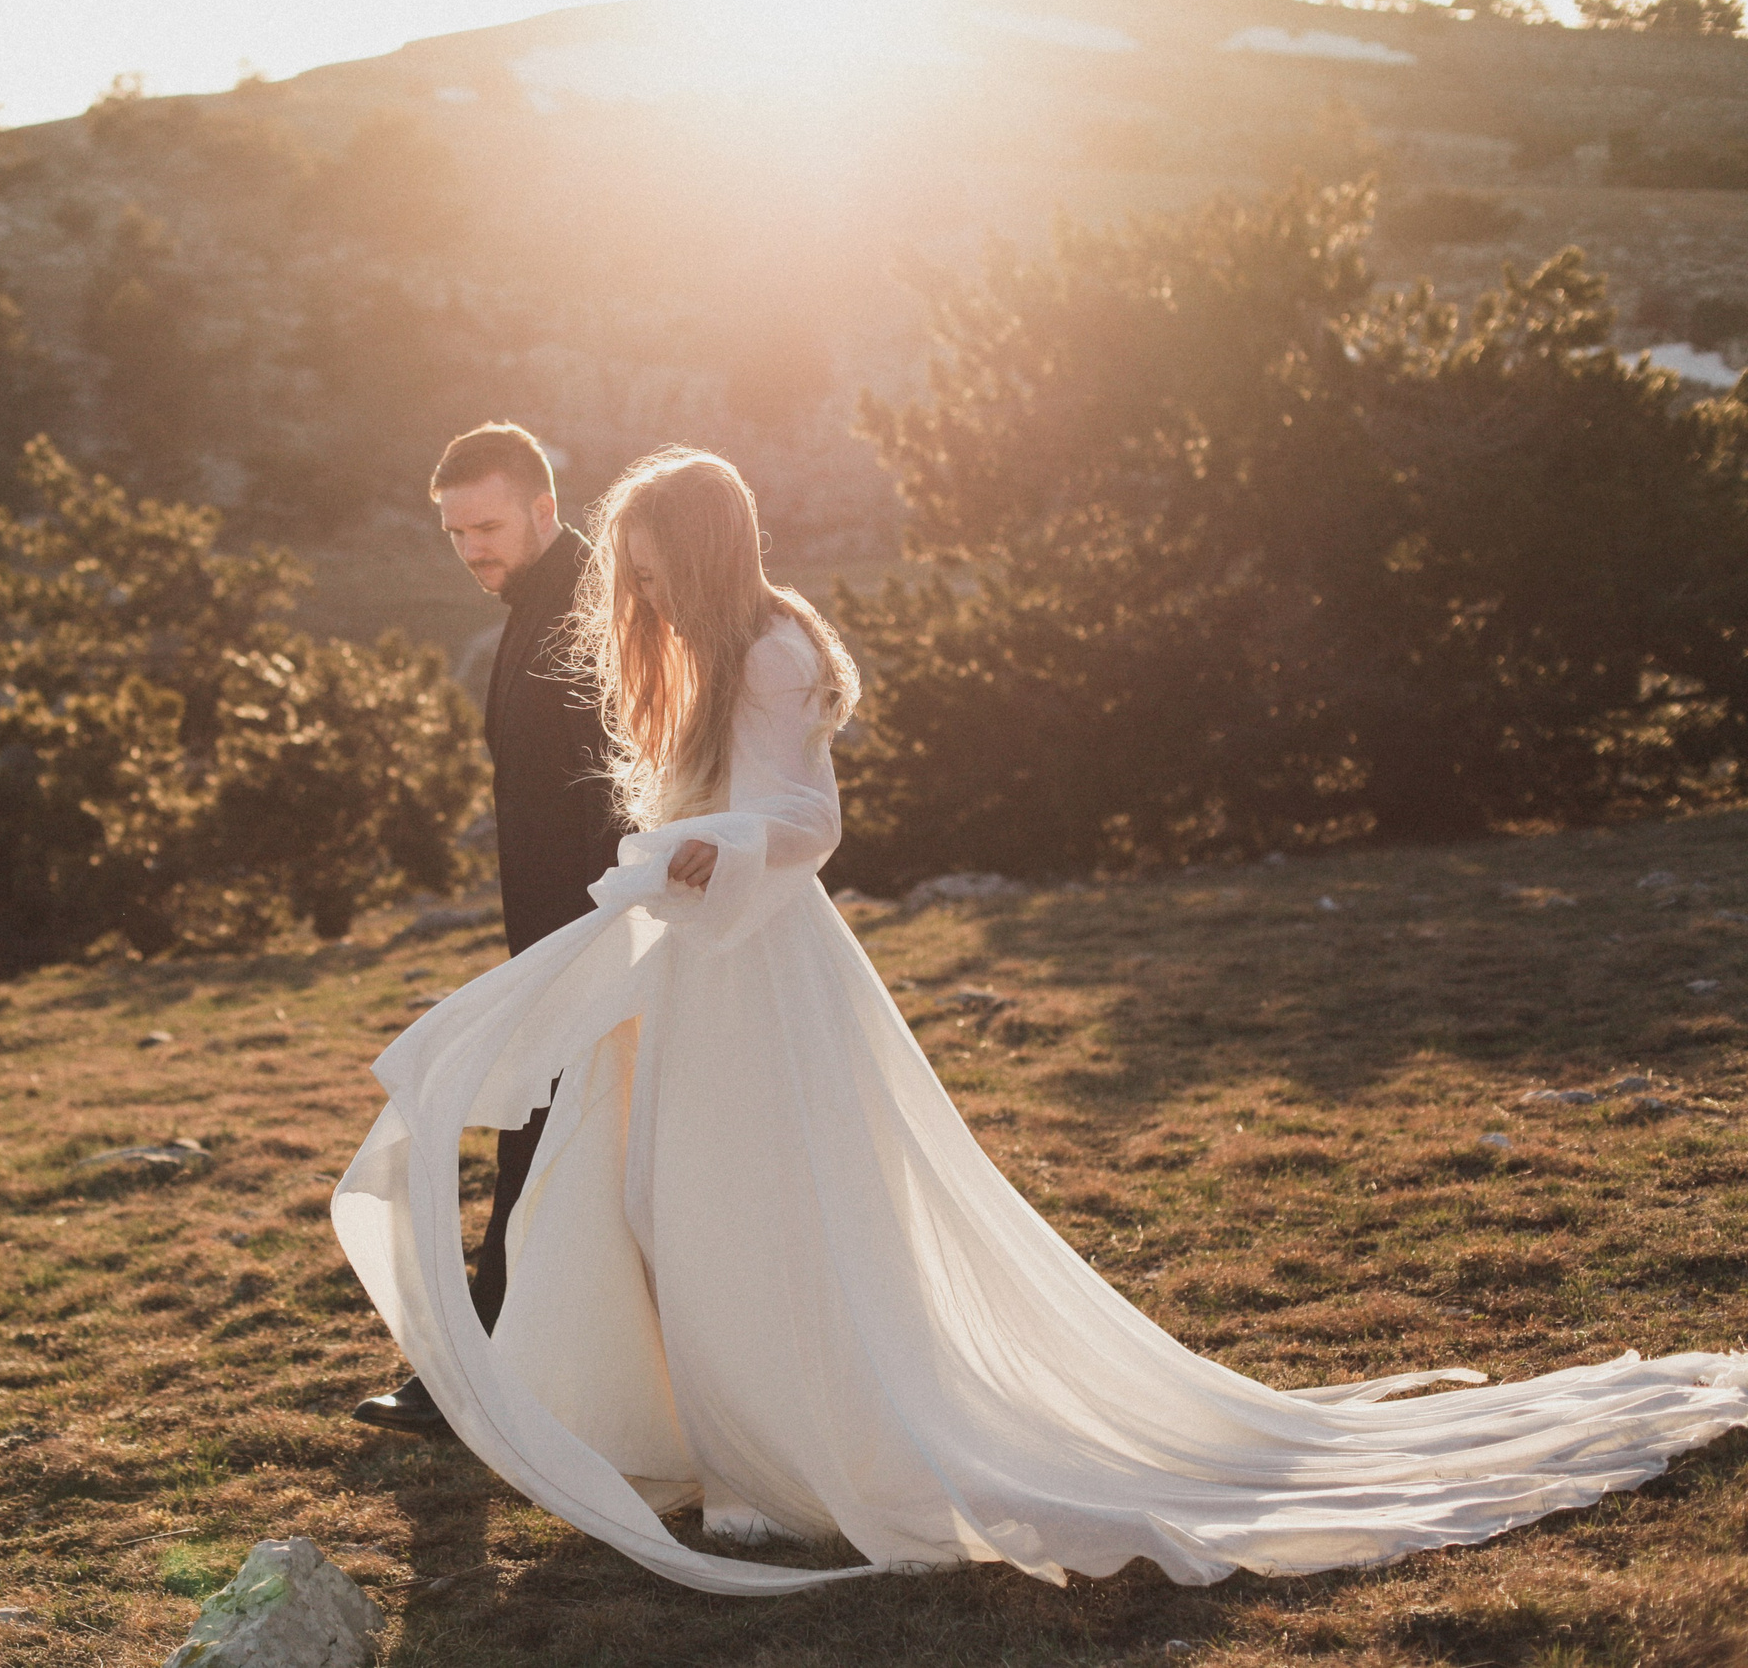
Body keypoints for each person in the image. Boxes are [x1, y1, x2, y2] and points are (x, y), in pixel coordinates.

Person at [335, 445, 1748, 1593]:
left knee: (756, 1209)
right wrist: (681, 861)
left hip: (762, 967)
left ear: (702, 551)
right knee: (665, 1201)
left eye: (650, 564)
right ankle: (735, 1450)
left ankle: (789, 1465)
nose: (633, 586)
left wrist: (722, 848)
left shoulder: (769, 648)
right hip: (694, 965)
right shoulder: (694, 648)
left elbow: (809, 819)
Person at [350, 421, 625, 1436]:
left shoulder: (590, 609)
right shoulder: (533, 601)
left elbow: (621, 785)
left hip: (592, 937)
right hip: (553, 936)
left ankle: (474, 1380)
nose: (471, 550)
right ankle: (511, 1373)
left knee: (539, 1146)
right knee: (553, 1149)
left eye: (489, 527)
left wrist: (602, 936)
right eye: (456, 533)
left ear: (545, 510)